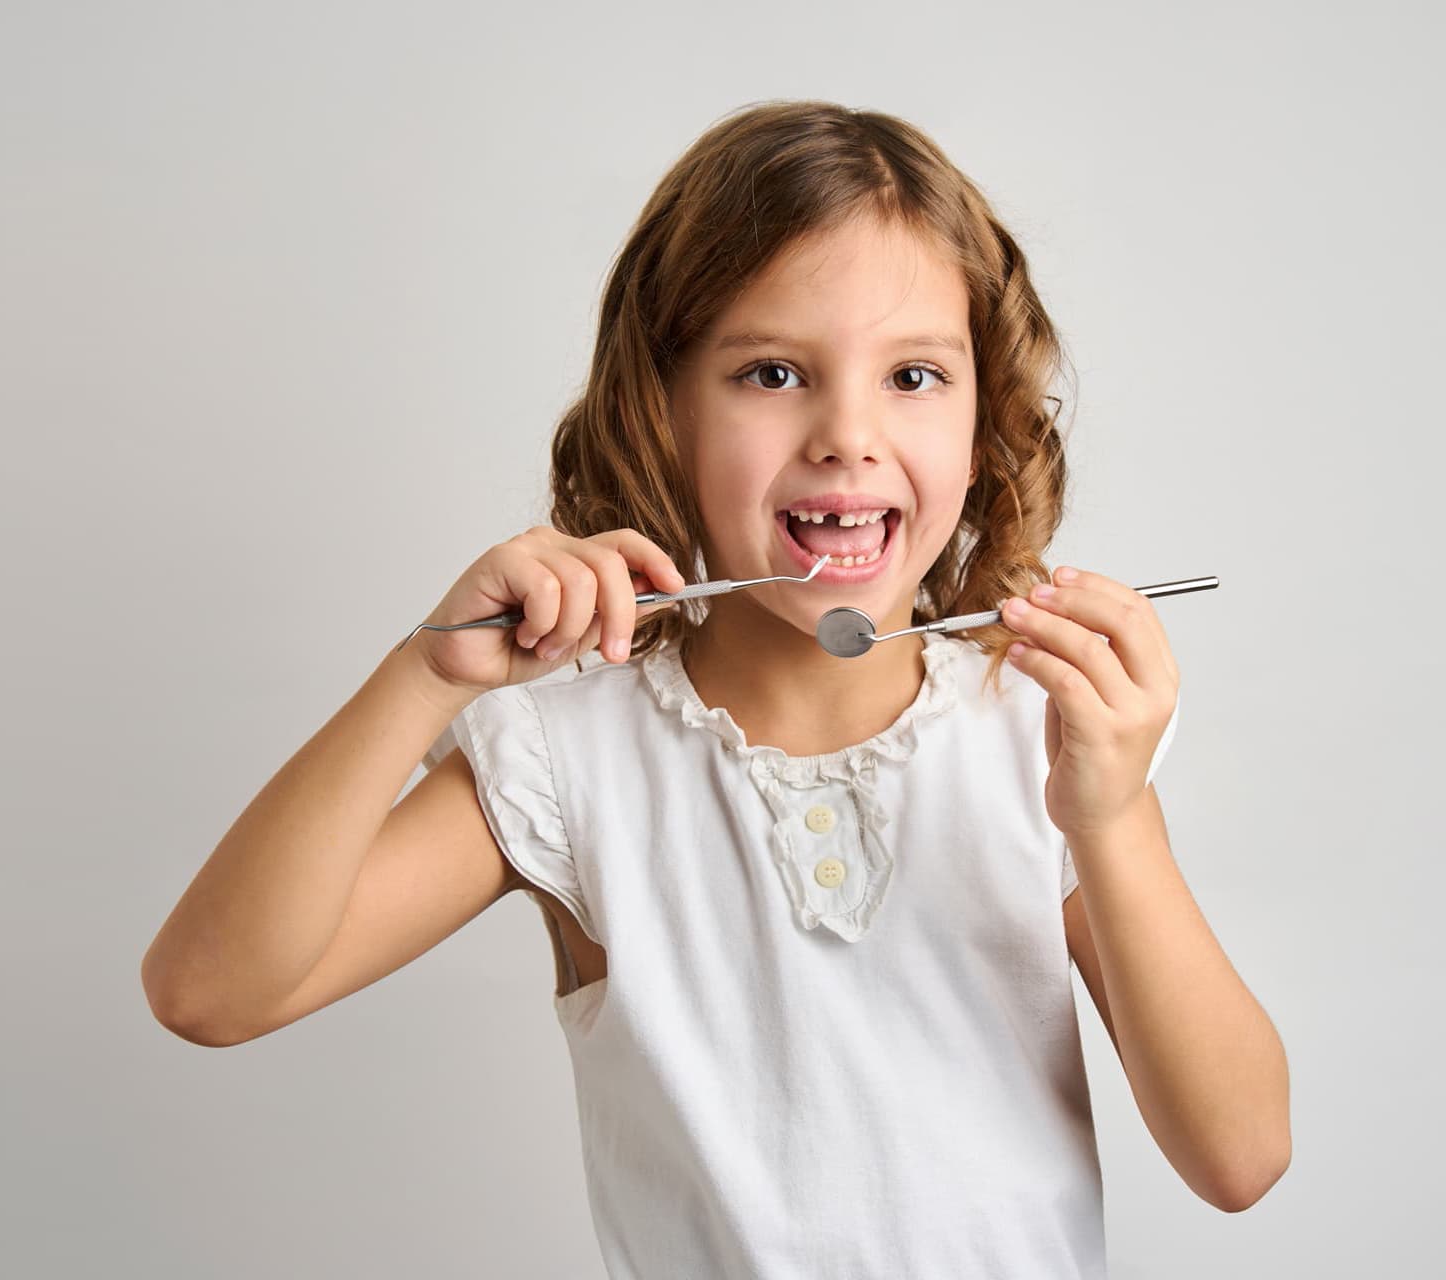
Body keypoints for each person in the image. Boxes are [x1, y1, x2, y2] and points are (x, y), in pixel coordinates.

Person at [141, 99, 1291, 1277]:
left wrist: (1105, 812)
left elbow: (1240, 1154)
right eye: (774, 371)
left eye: (914, 375)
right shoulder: (567, 758)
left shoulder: (1039, 737)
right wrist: (423, 674)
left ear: (984, 420)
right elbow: (209, 990)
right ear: (664, 405)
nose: (848, 433)